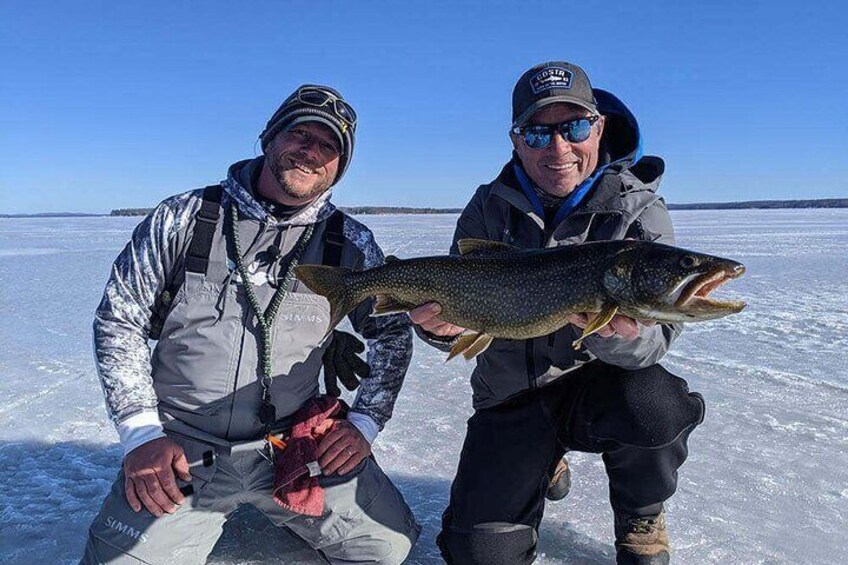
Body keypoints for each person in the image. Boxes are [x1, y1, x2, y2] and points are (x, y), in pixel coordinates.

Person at [82, 84, 420, 564]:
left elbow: (390, 333)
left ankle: (283, 504)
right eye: (299, 134)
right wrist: (142, 435)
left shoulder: (350, 243)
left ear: (340, 166)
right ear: (269, 138)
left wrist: (365, 422)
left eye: (329, 146)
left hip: (293, 441)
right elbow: (120, 319)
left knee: (388, 548)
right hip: (183, 445)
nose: (311, 151)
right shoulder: (185, 218)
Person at [410, 62, 705, 564]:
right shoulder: (487, 206)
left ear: (599, 128)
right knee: (479, 554)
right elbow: (461, 302)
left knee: (656, 404)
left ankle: (642, 511)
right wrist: (440, 330)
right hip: (510, 397)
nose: (559, 149)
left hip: (597, 389)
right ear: (516, 140)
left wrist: (616, 336)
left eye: (574, 127)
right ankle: (541, 460)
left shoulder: (638, 211)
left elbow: (655, 342)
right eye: (538, 132)